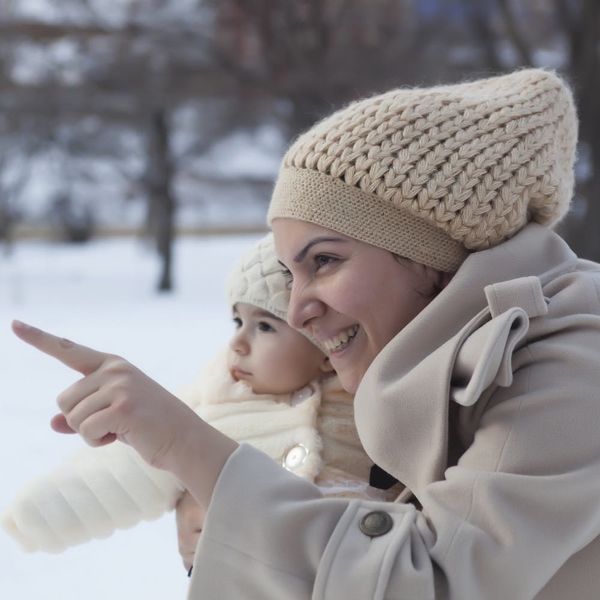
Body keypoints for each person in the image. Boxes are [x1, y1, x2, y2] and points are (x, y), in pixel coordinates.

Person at [9, 68, 600, 599]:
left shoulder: (570, 363)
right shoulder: (426, 365)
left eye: (324, 261)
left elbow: (429, 580)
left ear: (429, 256)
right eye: (290, 273)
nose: (297, 312)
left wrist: (193, 451)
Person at [2, 234, 393, 562]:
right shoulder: (209, 409)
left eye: (264, 327)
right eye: (238, 321)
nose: (237, 343)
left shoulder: (380, 399)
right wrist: (36, 516)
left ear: (326, 343)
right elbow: (121, 473)